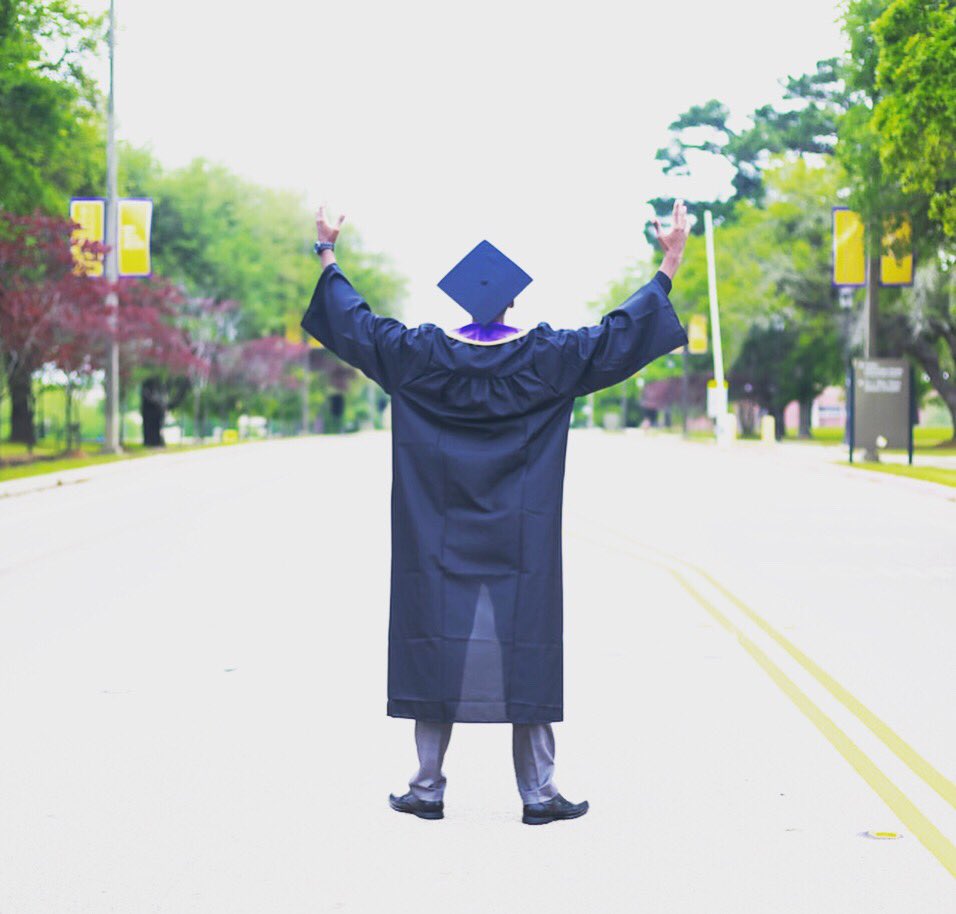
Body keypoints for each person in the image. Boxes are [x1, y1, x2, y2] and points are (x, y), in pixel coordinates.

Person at [301, 201, 690, 825]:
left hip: (437, 534)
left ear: (463, 304)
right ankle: (538, 795)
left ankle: (427, 788)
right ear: (510, 304)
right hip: (520, 536)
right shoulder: (547, 359)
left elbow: (356, 324)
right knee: (527, 645)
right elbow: (618, 334)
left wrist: (327, 250)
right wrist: (669, 259)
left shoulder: (418, 357)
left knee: (433, 641)